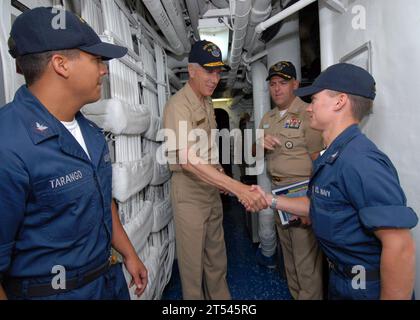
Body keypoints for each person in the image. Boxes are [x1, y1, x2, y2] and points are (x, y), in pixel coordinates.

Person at [0, 7, 147, 300]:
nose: (104, 69)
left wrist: (129, 253)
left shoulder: (91, 133)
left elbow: (103, 202)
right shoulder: (9, 145)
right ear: (61, 64)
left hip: (106, 282)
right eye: (96, 59)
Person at [251, 63, 418, 300]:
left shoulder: (361, 161)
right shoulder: (334, 155)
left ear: (340, 102)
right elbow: (318, 204)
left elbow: (400, 247)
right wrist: (269, 199)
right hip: (340, 280)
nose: (309, 109)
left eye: (315, 99)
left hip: (364, 288)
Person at [163, 40, 267, 300]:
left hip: (209, 188)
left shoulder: (207, 102)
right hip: (188, 192)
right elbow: (187, 159)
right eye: (209, 71)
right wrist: (238, 187)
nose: (215, 78)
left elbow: (205, 151)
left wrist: (219, 172)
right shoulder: (179, 106)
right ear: (191, 70)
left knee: (216, 258)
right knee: (192, 267)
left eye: (218, 72)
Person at [253, 61, 324, 299]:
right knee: (290, 259)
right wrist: (257, 145)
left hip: (301, 195)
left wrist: (311, 204)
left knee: (306, 263)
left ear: (295, 84)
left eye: (283, 83)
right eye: (273, 84)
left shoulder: (307, 114)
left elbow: (319, 162)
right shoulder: (268, 118)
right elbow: (253, 154)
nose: (277, 89)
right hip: (278, 196)